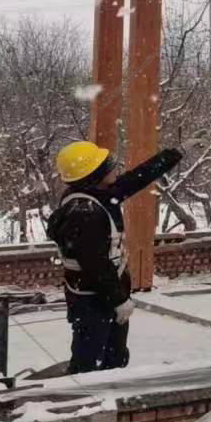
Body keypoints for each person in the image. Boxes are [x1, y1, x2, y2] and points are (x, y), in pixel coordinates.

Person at [47, 140, 183, 374]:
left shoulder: (96, 194)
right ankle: (89, 392)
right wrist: (118, 300)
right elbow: (96, 265)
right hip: (92, 297)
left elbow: (137, 178)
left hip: (101, 292)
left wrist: (175, 154)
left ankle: (111, 378)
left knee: (113, 357)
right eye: (108, 166)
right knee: (91, 362)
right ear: (94, 175)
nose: (115, 168)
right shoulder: (85, 213)